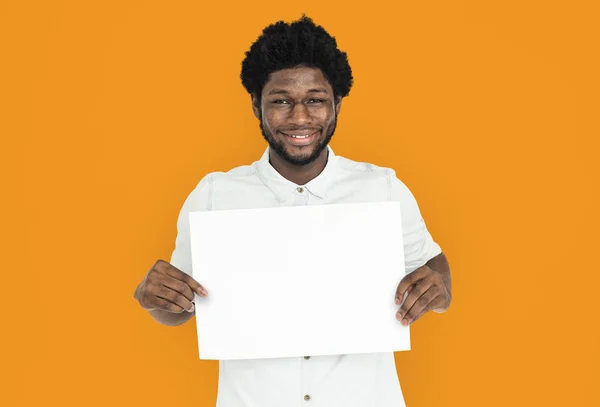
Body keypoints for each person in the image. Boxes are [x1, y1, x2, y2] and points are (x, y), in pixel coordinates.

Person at [133, 15, 452, 407]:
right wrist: (153, 297)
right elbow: (179, 309)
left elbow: (436, 271)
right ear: (255, 105)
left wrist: (437, 291)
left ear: (336, 103)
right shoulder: (215, 195)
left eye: (315, 100)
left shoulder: (382, 188)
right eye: (281, 100)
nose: (299, 118)